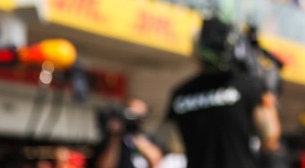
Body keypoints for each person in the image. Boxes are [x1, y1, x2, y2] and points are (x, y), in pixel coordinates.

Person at [164, 18, 274, 168]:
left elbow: (174, 146)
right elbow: (270, 137)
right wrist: (268, 90)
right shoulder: (246, 86)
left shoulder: (180, 94)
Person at [89, 97, 165, 168]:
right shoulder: (111, 139)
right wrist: (115, 137)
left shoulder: (146, 138)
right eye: (131, 113)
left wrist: (138, 140)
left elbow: (156, 160)